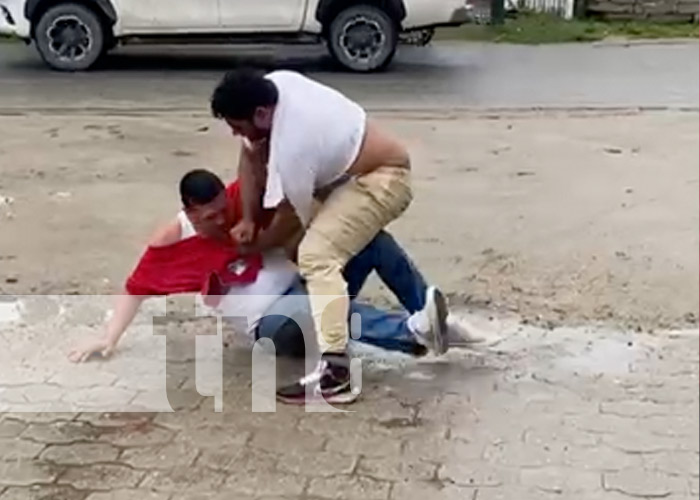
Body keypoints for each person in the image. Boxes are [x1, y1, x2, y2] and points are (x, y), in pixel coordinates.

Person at [69, 170, 470, 378]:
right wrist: (108, 338)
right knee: (315, 306)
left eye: (222, 211)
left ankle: (430, 318)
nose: (220, 221)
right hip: (274, 327)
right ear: (190, 212)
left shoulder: (241, 198)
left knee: (372, 241)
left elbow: (285, 182)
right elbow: (135, 288)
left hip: (304, 284)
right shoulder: (172, 242)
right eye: (208, 218)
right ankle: (412, 332)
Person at [210, 68, 426, 404]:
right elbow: (249, 153)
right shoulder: (275, 85)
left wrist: (254, 244)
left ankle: (338, 371)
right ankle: (426, 318)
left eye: (238, 126)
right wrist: (250, 219)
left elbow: (291, 220)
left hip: (384, 177)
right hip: (356, 177)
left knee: (317, 256)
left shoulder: (293, 149)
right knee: (351, 257)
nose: (236, 134)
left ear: (262, 115)